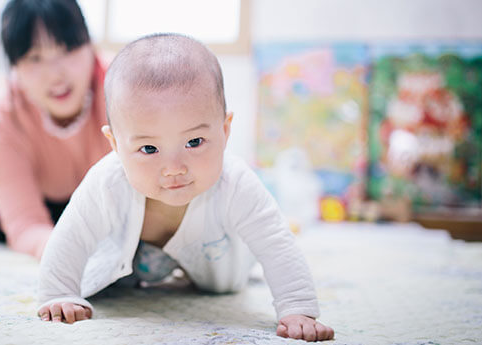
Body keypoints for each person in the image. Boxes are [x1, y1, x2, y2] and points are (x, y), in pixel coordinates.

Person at [36, 33, 334, 341]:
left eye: (194, 142)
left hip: (221, 266)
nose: (174, 167)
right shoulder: (106, 182)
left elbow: (275, 242)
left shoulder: (236, 183)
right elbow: (71, 234)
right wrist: (59, 292)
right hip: (130, 273)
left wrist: (297, 308)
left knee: (256, 246)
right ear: (115, 145)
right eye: (149, 149)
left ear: (224, 130)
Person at [0, 0, 111, 259]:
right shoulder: (2, 117)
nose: (56, 75)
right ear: (14, 68)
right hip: (49, 198)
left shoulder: (122, 86)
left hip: (112, 200)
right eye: (35, 58)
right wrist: (64, 252)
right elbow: (25, 224)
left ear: (91, 47)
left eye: (68, 50)